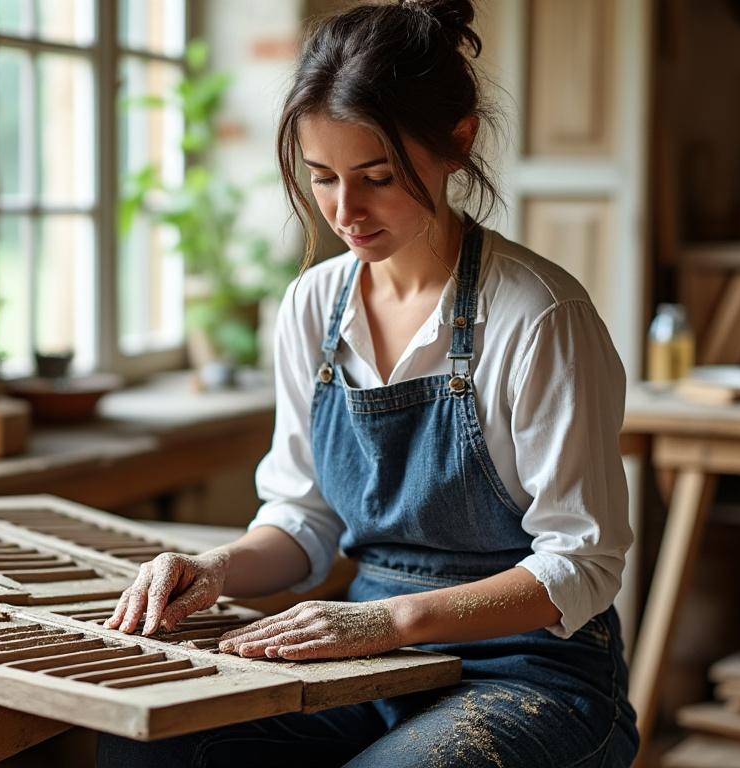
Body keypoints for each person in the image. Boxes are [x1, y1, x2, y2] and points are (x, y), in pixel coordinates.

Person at [98, 0, 639, 765]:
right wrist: (217, 568)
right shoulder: (314, 304)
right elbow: (304, 522)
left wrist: (388, 622)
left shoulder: (537, 316)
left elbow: (582, 563)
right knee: (151, 746)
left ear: (458, 141)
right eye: (321, 178)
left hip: (531, 674)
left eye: (376, 177)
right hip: (367, 661)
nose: (345, 212)